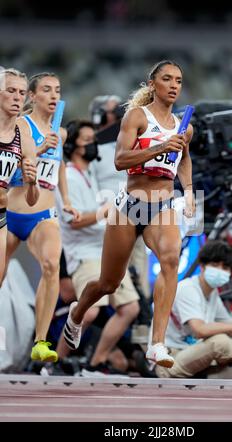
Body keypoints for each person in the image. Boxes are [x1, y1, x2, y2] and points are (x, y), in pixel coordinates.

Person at [63, 60, 195, 368]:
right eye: (167, 79)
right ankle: (76, 313)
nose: (174, 85)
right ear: (152, 84)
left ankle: (157, 343)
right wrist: (159, 146)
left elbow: (184, 159)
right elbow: (120, 160)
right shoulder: (137, 116)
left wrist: (188, 190)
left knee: (171, 260)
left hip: (162, 204)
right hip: (129, 205)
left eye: (178, 80)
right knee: (109, 283)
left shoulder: (183, 126)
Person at [5, 72, 79, 363]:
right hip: (10, 212)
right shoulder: (20, 125)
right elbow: (11, 166)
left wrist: (67, 199)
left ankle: (40, 341)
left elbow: (58, 167)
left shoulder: (60, 133)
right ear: (32, 96)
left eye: (57, 90)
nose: (53, 96)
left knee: (51, 266)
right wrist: (38, 149)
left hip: (43, 213)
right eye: (46, 90)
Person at [56, 119, 140, 375]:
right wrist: (104, 212)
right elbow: (74, 220)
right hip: (84, 255)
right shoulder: (68, 176)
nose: (94, 144)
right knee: (90, 313)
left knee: (130, 309)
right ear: (73, 146)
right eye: (88, 140)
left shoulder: (89, 175)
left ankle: (96, 362)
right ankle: (54, 362)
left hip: (105, 253)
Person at [153, 239, 232, 379]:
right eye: (215, 265)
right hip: (169, 360)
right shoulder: (187, 288)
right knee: (220, 342)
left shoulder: (212, 293)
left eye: (225, 268)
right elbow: (200, 330)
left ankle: (213, 373)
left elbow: (229, 324)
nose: (219, 271)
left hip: (190, 353)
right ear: (202, 266)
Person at [0, 68, 39, 282]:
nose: (17, 97)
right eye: (11, 90)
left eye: (22, 92)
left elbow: (32, 200)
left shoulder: (24, 137)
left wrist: (32, 182)